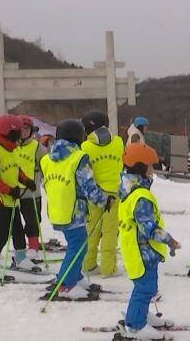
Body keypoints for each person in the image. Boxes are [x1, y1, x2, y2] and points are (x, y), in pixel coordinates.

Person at [40, 119, 111, 300]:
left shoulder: (47, 159)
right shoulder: (78, 158)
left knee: (77, 243)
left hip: (57, 210)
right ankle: (66, 283)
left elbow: (46, 183)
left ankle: (75, 276)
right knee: (78, 245)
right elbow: (88, 185)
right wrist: (104, 199)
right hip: (74, 210)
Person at [117, 142, 181, 340]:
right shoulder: (141, 197)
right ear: (141, 168)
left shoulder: (129, 190)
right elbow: (150, 228)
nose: (153, 171)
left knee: (146, 287)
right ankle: (136, 326)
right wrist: (169, 240)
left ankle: (140, 315)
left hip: (138, 250)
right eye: (151, 167)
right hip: (142, 251)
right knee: (145, 288)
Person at [0, 115, 39, 278]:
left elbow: (14, 169)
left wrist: (27, 181)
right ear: (7, 131)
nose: (20, 134)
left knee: (18, 228)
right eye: (17, 131)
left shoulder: (12, 148)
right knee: (2, 231)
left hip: (11, 198)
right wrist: (10, 190)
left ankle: (20, 257)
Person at [81, 110, 125, 277]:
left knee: (91, 230)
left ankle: (89, 264)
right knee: (110, 232)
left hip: (94, 195)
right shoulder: (119, 142)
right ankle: (108, 268)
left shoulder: (85, 146)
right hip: (114, 194)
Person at [15, 115, 47, 259]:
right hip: (13, 191)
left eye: (26, 129)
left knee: (33, 220)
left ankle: (33, 245)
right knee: (9, 221)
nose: (23, 132)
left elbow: (46, 166)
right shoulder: (11, 146)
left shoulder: (37, 147)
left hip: (31, 192)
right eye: (21, 129)